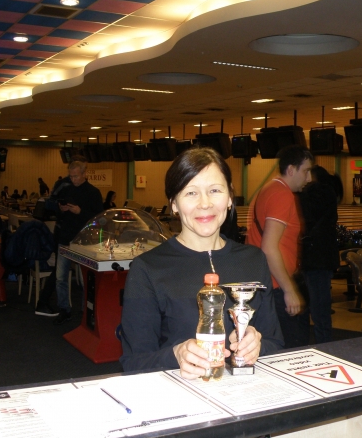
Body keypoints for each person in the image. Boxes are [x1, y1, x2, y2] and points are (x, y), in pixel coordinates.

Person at [120, 147, 283, 374]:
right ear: (174, 203)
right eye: (191, 193)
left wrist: (258, 346)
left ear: (229, 197)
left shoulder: (253, 260)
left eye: (215, 190)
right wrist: (175, 355)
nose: (205, 203)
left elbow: (276, 344)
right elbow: (134, 362)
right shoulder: (148, 268)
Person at [247, 145, 314, 349]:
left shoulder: (267, 189)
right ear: (291, 169)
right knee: (292, 349)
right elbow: (269, 247)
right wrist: (289, 289)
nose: (309, 178)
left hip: (264, 282)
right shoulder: (281, 194)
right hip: (276, 286)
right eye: (306, 171)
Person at [35, 157, 103, 324]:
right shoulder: (67, 190)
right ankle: (64, 309)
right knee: (60, 277)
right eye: (71, 176)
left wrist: (80, 212)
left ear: (84, 174)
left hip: (84, 240)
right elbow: (56, 211)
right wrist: (62, 209)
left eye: (76, 176)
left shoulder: (93, 193)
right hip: (65, 237)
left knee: (87, 279)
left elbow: (98, 219)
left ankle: (86, 310)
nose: (73, 179)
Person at [298, 165, 339, 344]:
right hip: (324, 258)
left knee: (315, 307)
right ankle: (324, 344)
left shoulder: (313, 194)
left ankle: (321, 344)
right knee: (320, 307)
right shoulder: (329, 195)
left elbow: (308, 220)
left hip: (314, 258)